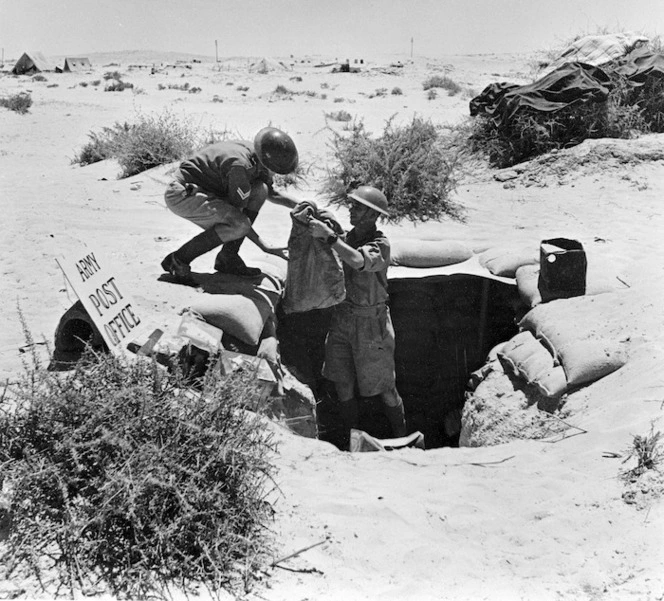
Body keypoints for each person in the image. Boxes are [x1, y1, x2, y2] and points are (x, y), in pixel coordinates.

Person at [308, 186, 407, 443]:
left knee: (385, 389)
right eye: (352, 205)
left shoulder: (380, 244)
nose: (352, 210)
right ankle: (353, 440)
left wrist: (330, 237)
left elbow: (357, 261)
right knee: (342, 385)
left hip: (371, 324)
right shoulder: (347, 237)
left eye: (358, 207)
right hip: (342, 318)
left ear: (373, 215)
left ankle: (403, 437)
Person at [161, 127, 300, 282]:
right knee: (238, 225)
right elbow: (239, 218)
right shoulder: (240, 166)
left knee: (261, 190)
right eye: (273, 170)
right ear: (264, 162)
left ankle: (228, 258)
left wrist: (304, 205)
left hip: (207, 191)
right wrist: (265, 246)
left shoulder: (256, 155)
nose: (274, 174)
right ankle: (178, 260)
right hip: (182, 195)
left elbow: (271, 194)